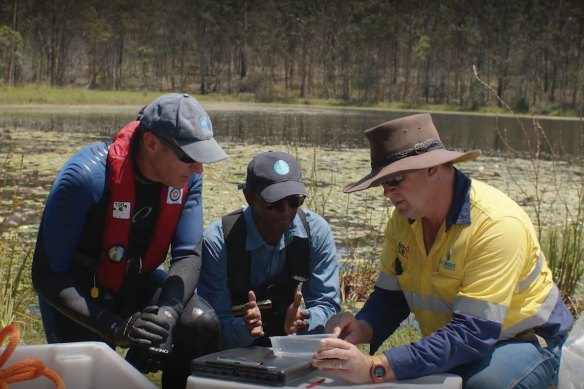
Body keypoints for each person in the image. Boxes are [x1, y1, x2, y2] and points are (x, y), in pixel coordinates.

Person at [312, 113, 573, 389]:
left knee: (486, 384)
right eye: (382, 183)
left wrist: (375, 368)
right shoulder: (401, 221)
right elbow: (390, 299)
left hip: (529, 341)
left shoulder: (496, 224)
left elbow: (472, 333)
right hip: (466, 340)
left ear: (433, 168)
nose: (387, 193)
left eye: (395, 179)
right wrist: (360, 327)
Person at [31, 93, 228, 389]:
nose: (198, 168)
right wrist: (115, 328)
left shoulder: (187, 179)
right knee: (94, 380)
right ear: (151, 143)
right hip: (80, 297)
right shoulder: (83, 177)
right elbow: (45, 276)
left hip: (135, 284)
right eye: (189, 156)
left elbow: (188, 255)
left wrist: (167, 318)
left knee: (199, 323)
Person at [197, 151, 341, 349]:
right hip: (234, 343)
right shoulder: (218, 240)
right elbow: (213, 323)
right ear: (250, 197)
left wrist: (305, 321)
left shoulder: (316, 232)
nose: (286, 210)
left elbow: (328, 306)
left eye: (294, 200)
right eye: (273, 202)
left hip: (289, 339)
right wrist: (244, 328)